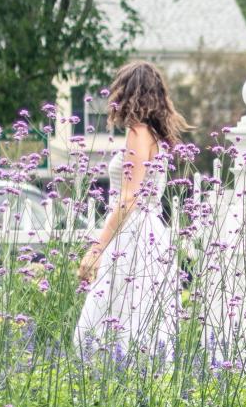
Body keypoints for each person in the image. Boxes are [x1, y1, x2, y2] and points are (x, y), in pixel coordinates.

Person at [74, 61, 188, 360]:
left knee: (114, 318)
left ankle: (114, 383)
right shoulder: (154, 135)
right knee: (138, 316)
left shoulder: (138, 133)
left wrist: (96, 249)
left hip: (133, 234)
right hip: (150, 233)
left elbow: (128, 198)